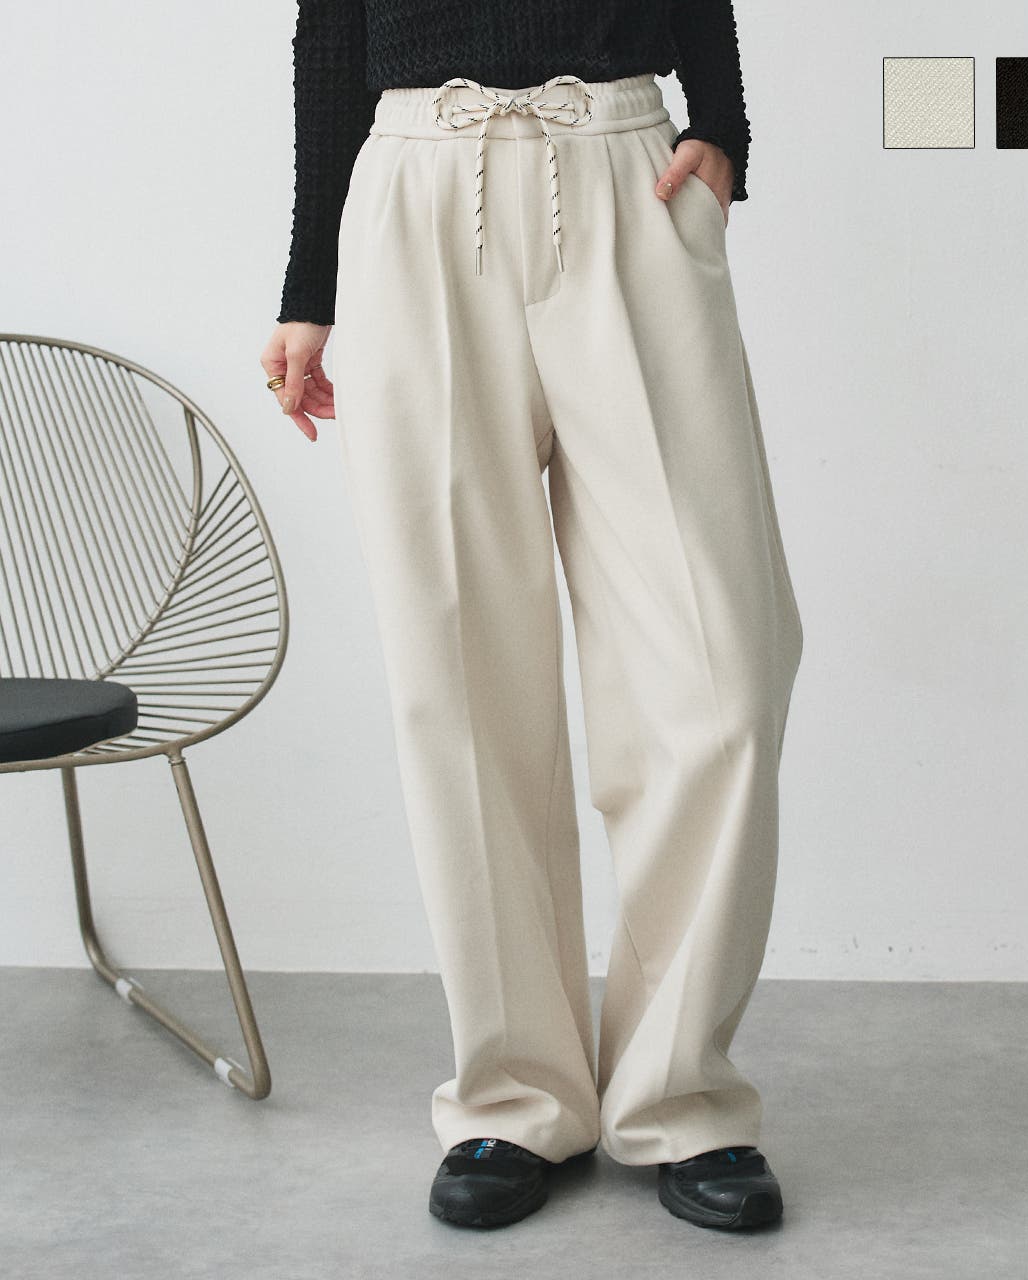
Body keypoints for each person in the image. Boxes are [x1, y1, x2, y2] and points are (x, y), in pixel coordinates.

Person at [259, 0, 803, 1232]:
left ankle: (681, 1092)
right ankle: (513, 1095)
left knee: (719, 673)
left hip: (624, 169)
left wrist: (721, 124)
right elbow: (330, 32)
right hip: (414, 188)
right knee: (457, 674)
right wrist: (307, 290)